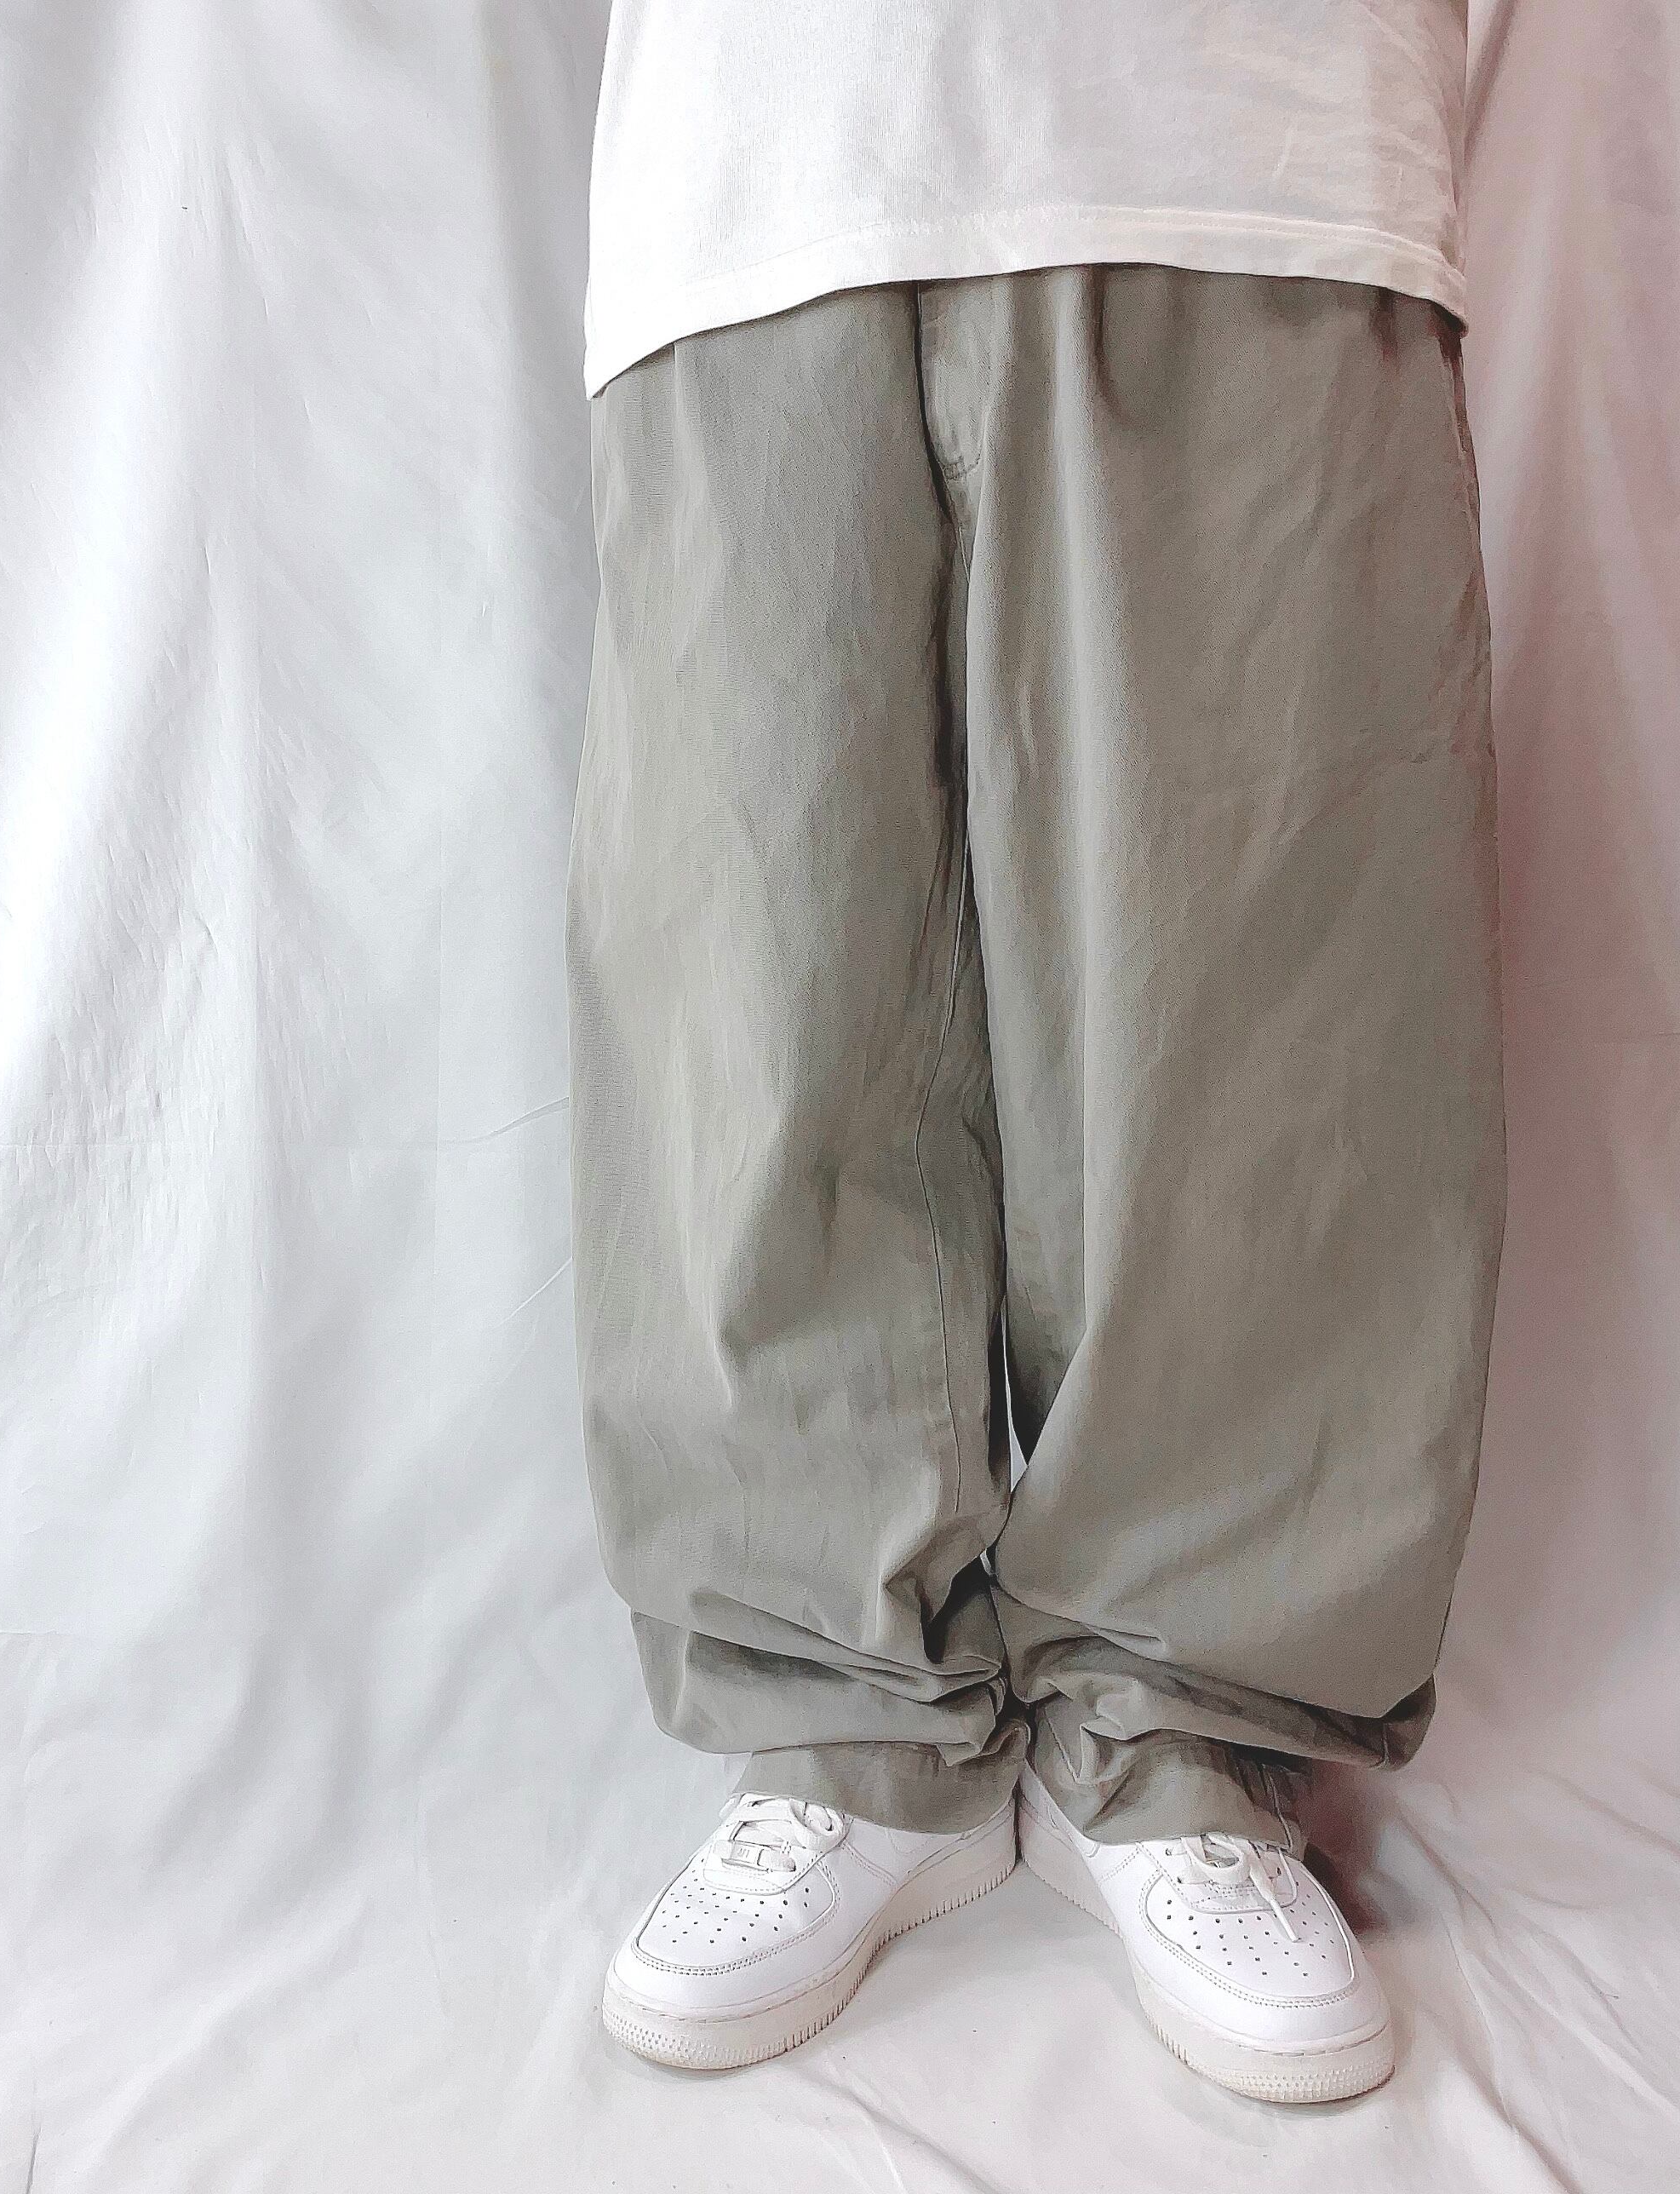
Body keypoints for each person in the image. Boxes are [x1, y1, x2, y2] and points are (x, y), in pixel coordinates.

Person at [564, 0, 1506, 2104]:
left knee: (1266, 1013)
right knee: (753, 991)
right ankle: (843, 1727)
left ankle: (1192, 1736)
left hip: (1244, 133)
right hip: (759, 147)